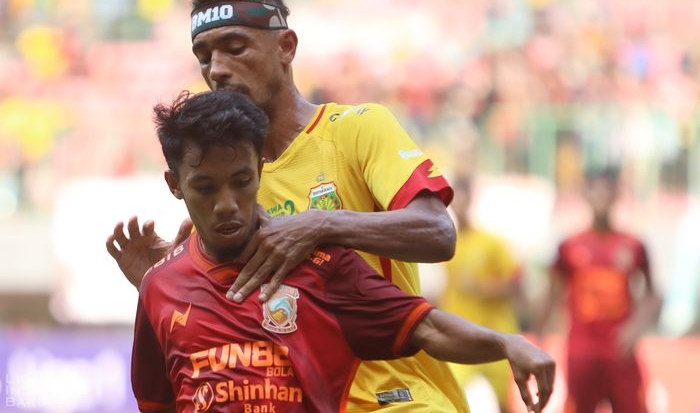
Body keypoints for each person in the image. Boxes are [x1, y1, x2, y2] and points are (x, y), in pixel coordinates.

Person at [107, 0, 469, 411]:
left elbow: (437, 232)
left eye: (235, 47)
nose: (216, 69)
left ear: (286, 47)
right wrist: (165, 279)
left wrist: (319, 224)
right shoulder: (226, 192)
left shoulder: (356, 130)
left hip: (397, 401)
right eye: (203, 55)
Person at [132, 89, 554, 413]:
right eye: (205, 187)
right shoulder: (158, 285)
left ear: (260, 171)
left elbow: (428, 328)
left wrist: (505, 344)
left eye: (241, 181)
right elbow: (158, 402)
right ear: (175, 185)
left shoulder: (319, 266)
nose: (226, 203)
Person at [536, 167, 661, 413]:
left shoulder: (634, 245)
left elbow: (653, 295)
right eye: (596, 190)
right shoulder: (569, 246)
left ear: (616, 194)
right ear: (586, 194)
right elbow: (551, 295)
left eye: (608, 190)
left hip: (620, 353)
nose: (602, 196)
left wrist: (635, 328)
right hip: (582, 354)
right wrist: (539, 343)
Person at [440, 177, 523, 413]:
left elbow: (516, 284)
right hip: (460, 335)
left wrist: (482, 288)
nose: (459, 205)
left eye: (463, 198)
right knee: (451, 399)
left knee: (505, 404)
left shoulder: (491, 242)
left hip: (495, 333)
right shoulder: (445, 243)